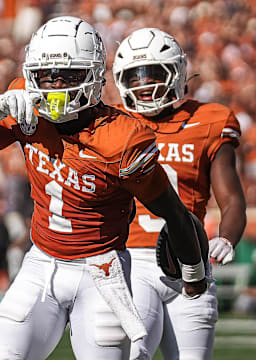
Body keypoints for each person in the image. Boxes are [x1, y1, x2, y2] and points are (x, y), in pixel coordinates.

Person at [0, 17, 207, 360]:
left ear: (95, 76)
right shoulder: (26, 107)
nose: (54, 85)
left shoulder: (122, 138)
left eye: (68, 75)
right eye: (45, 74)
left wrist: (194, 275)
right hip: (39, 266)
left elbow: (172, 212)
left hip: (102, 273)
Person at [112, 27, 247, 359]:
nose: (143, 84)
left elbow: (231, 197)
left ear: (177, 71)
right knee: (134, 352)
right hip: (130, 260)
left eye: (152, 73)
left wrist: (227, 237)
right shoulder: (113, 123)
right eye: (134, 76)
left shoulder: (210, 120)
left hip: (192, 258)